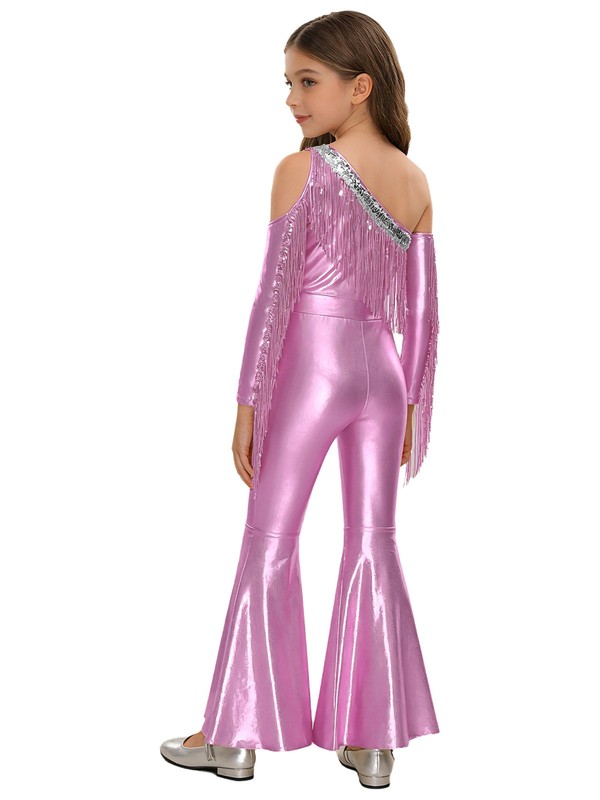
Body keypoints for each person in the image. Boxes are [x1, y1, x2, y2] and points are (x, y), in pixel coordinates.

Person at [160, 10, 440, 790]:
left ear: (360, 86)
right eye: (287, 82)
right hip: (383, 375)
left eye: (307, 81)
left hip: (311, 372)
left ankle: (234, 735)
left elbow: (273, 297)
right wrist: (413, 406)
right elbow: (424, 316)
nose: (292, 99)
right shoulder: (415, 181)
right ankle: (372, 741)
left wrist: (248, 402)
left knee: (270, 541)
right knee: (374, 541)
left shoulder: (302, 171)